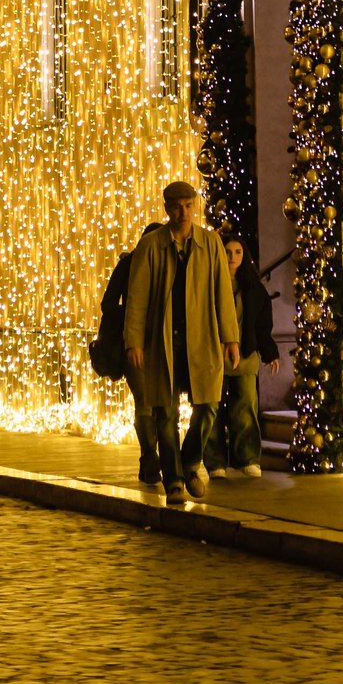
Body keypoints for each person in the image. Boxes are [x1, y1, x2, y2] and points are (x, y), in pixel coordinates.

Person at [121, 178, 237, 508]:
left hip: (202, 339)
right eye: (177, 207)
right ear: (167, 209)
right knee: (165, 412)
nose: (183, 213)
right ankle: (173, 480)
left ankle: (189, 461)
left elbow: (222, 293)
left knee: (209, 404)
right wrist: (135, 341)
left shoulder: (210, 242)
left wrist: (230, 337)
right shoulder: (152, 245)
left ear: (195, 206)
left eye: (188, 206)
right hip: (162, 341)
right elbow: (137, 297)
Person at [216, 232, 279, 477]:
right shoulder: (212, 282)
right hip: (217, 355)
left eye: (238, 252)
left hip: (246, 354)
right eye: (228, 252)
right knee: (214, 408)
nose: (232, 257)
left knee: (245, 406)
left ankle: (248, 457)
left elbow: (262, 324)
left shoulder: (253, 288)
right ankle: (215, 461)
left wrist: (269, 351)